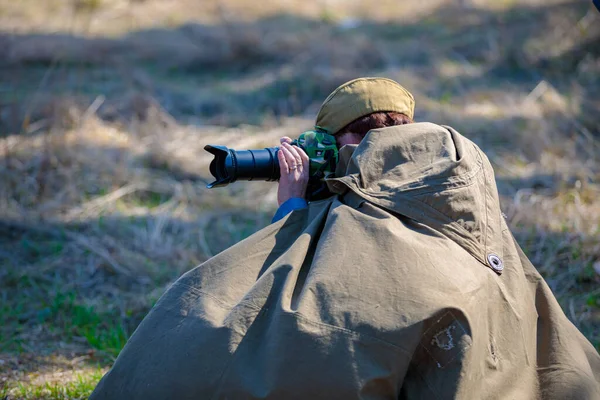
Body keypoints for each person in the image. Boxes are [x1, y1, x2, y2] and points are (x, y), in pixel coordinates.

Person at [91, 77, 600, 399]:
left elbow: (296, 321)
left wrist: (293, 211)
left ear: (340, 145)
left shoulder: (352, 218)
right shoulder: (456, 187)